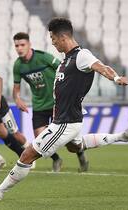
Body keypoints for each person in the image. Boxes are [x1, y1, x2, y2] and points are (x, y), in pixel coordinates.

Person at [0, 17, 128, 201]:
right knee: (75, 147)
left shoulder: (81, 55)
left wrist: (116, 78)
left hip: (65, 122)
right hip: (69, 119)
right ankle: (123, 136)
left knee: (27, 155)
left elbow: (101, 67)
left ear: (62, 37)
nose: (53, 42)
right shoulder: (66, 60)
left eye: (53, 39)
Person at [12, 32, 88, 172]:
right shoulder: (18, 66)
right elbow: (15, 89)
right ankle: (56, 159)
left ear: (29, 45)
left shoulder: (43, 57)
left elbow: (65, 69)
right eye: (16, 45)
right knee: (40, 138)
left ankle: (81, 153)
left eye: (22, 45)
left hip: (57, 103)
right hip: (39, 104)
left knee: (68, 139)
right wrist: (17, 99)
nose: (19, 48)